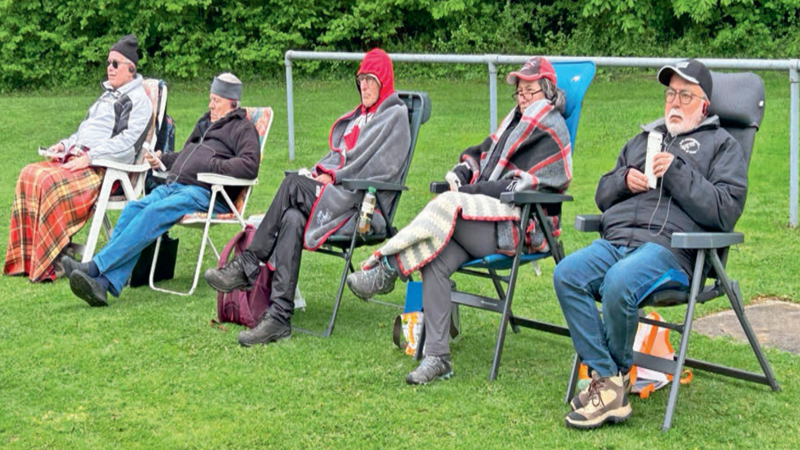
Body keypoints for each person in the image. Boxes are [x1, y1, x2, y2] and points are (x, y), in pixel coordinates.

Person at [346, 56, 572, 385]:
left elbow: (521, 186)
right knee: (434, 257)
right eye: (519, 91)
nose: (522, 97)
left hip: (522, 225)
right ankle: (437, 357)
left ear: (548, 92)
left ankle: (388, 266)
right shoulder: (514, 123)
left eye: (529, 90)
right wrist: (464, 173)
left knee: (448, 207)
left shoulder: (552, 129)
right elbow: (481, 154)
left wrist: (468, 191)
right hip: (486, 220)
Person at [552, 59, 747, 429]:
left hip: (671, 251)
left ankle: (609, 384)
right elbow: (602, 194)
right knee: (567, 274)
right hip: (618, 242)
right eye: (671, 94)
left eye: (685, 96)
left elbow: (724, 211)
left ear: (704, 105)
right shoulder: (643, 140)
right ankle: (610, 379)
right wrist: (624, 179)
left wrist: (676, 171)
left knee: (619, 282)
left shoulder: (722, 146)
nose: (675, 103)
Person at [204, 48, 411, 347]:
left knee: (293, 185)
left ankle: (249, 264)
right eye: (360, 80)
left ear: (384, 81)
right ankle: (279, 317)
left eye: (370, 80)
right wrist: (318, 173)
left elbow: (383, 170)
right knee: (291, 217)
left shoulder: (395, 115)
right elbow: (339, 157)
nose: (364, 86)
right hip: (338, 194)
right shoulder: (361, 118)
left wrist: (334, 176)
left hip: (360, 206)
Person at [60, 73, 260, 307]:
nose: (210, 105)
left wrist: (213, 165)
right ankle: (102, 284)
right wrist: (163, 158)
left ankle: (95, 266)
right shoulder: (206, 123)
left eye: (216, 100)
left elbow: (249, 165)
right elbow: (187, 155)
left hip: (207, 193)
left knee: (152, 214)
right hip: (177, 186)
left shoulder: (242, 128)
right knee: (133, 209)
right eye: (210, 99)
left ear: (232, 103)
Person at [4, 34, 153, 282]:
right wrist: (65, 145)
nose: (109, 68)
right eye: (108, 63)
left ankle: (52, 260)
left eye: (115, 64)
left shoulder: (138, 101)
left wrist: (90, 157)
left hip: (103, 169)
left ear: (131, 69)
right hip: (78, 158)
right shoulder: (107, 96)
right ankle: (26, 259)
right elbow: (84, 132)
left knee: (48, 182)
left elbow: (127, 144)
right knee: (29, 173)